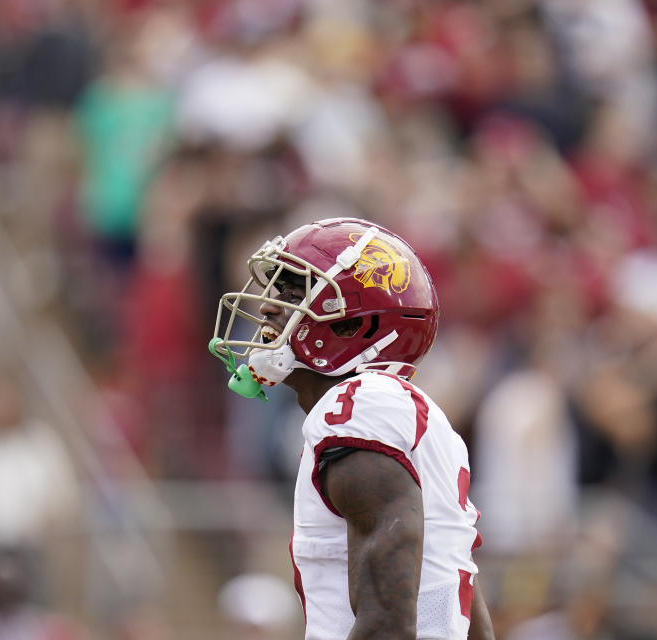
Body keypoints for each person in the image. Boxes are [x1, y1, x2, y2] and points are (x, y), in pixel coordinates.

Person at [209, 217, 495, 640]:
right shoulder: (403, 411)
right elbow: (466, 616)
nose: (268, 306)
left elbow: (387, 623)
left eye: (293, 292)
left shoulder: (359, 408)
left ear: (353, 324)